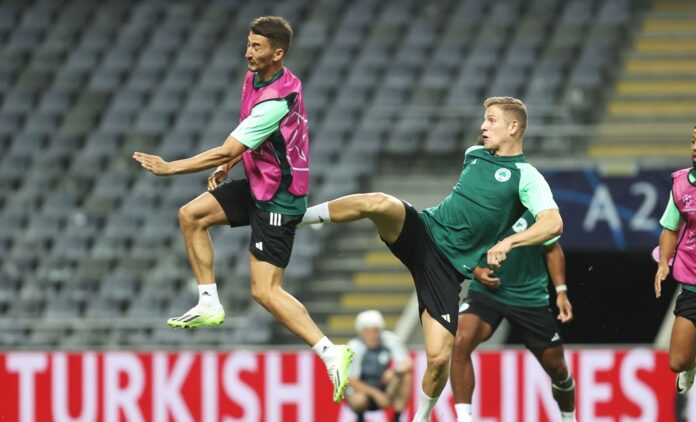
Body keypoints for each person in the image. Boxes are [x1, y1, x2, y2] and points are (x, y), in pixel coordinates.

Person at [132, 16, 353, 403]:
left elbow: (228, 146)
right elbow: (245, 139)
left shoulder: (277, 98)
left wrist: (171, 167)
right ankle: (208, 302)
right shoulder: (255, 79)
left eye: (256, 47)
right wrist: (229, 166)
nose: (248, 52)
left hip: (279, 196)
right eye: (248, 44)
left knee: (265, 291)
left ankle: (330, 351)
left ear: (277, 53)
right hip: (258, 181)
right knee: (191, 216)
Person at [300, 97, 563, 421]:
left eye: (491, 120)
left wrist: (509, 242)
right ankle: (296, 218)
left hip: (447, 271)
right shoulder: (474, 154)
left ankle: (421, 417)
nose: (483, 126)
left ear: (513, 127)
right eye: (484, 119)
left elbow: (553, 223)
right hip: (424, 232)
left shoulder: (527, 176)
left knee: (439, 360)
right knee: (379, 202)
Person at [450, 210, 576, 422]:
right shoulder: (482, 206)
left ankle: (569, 417)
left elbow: (552, 249)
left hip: (529, 296)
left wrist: (561, 292)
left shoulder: (536, 209)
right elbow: (462, 245)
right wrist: (476, 271)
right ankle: (464, 419)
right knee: (460, 340)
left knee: (557, 368)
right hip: (487, 293)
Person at [654, 126, 696, 395]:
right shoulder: (682, 185)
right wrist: (663, 264)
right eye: (693, 141)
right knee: (677, 362)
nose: (695, 148)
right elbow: (670, 229)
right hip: (693, 282)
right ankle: (691, 367)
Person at [346, 310, 413, 422]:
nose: (372, 335)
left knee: (406, 375)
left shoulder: (389, 339)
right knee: (359, 399)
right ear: (361, 333)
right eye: (367, 332)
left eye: (375, 331)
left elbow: (408, 363)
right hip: (363, 390)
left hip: (386, 388)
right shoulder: (353, 346)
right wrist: (376, 394)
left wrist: (394, 371)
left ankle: (397, 417)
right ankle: (360, 417)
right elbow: (351, 380)